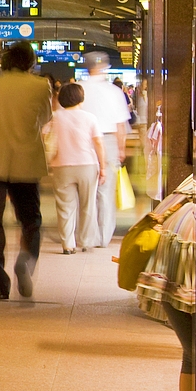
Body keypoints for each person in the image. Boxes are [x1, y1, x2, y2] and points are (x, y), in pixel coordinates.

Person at [0, 40, 52, 301]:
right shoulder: (40, 86)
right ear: (30, 61)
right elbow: (46, 118)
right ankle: (25, 262)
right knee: (31, 220)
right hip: (27, 162)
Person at [77, 52, 131, 250]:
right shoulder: (114, 92)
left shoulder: (79, 88)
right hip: (107, 141)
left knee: (85, 191)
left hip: (83, 141)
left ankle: (85, 236)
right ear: (105, 67)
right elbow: (120, 125)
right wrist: (121, 149)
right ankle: (103, 237)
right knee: (105, 192)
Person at [46, 80, 105, 254]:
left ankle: (68, 244)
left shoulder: (55, 117)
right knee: (88, 205)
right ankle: (86, 241)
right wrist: (103, 168)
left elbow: (46, 139)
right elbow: (99, 143)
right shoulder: (90, 117)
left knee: (65, 206)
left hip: (62, 166)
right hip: (87, 165)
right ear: (81, 98)